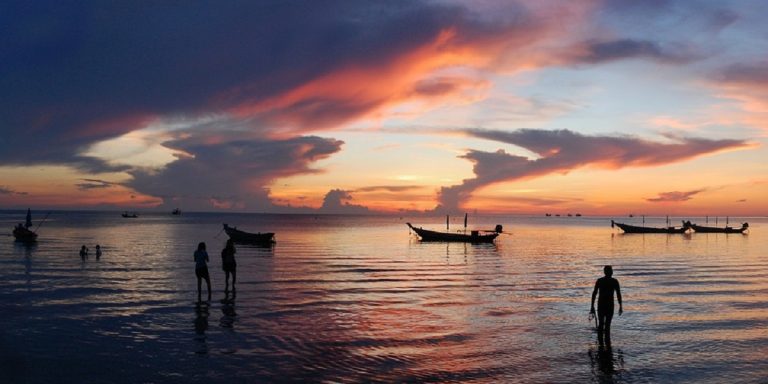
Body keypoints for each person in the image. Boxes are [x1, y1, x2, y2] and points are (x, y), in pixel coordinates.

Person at [590, 265, 623, 340]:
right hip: (606, 305)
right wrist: (620, 306)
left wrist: (592, 306)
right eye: (610, 271)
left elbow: (618, 294)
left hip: (604, 305)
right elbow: (594, 293)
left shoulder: (602, 281)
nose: (611, 272)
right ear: (606, 272)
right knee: (606, 325)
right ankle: (605, 345)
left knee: (603, 325)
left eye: (611, 270)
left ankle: (602, 345)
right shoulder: (612, 281)